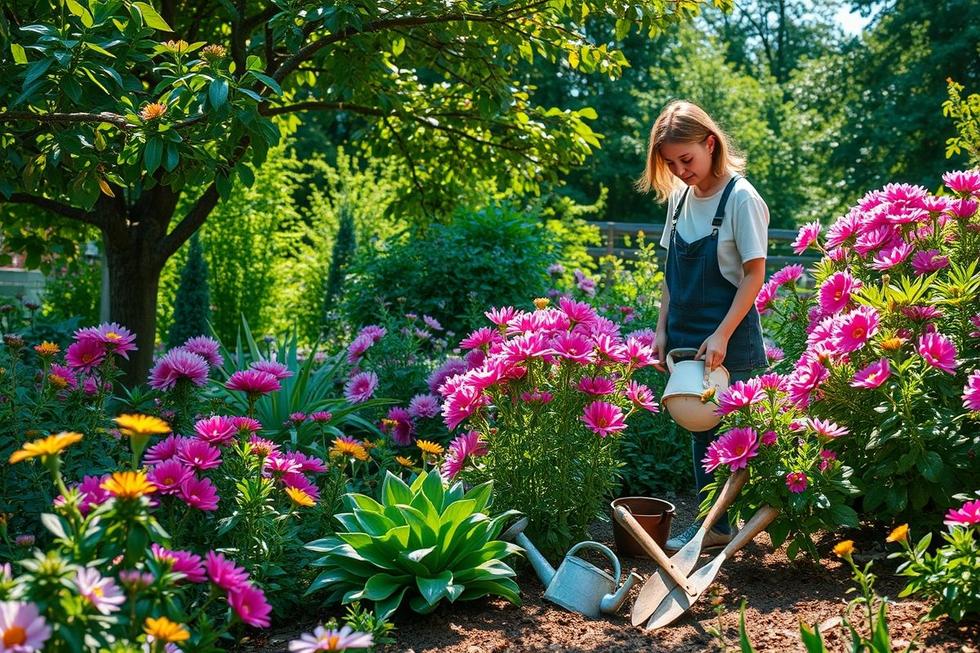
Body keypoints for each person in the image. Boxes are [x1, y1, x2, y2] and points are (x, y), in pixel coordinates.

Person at [636, 100, 769, 552]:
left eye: (686, 159)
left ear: (710, 143)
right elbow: (673, 273)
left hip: (731, 335)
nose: (680, 170)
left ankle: (766, 516)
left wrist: (723, 335)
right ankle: (715, 525)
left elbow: (754, 275)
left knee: (743, 432)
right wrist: (661, 331)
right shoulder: (678, 199)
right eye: (671, 164)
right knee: (701, 429)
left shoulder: (742, 199)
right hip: (687, 335)